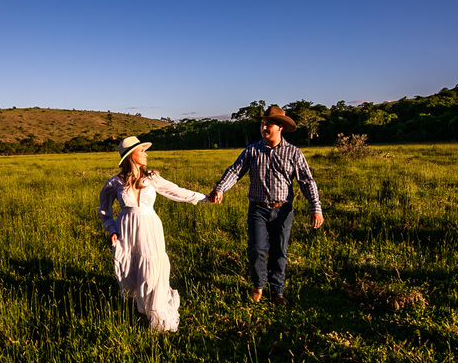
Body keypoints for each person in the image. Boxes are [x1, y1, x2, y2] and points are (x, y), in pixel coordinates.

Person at [206, 105, 323, 306]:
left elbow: (306, 181)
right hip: (257, 208)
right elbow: (235, 171)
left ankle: (277, 291)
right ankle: (258, 285)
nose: (264, 128)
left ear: (280, 128)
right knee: (257, 248)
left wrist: (316, 207)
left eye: (269, 124)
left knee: (279, 252)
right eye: (262, 124)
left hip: (283, 210)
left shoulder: (293, 153)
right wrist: (220, 189)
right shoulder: (252, 151)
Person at [99, 136, 209, 332]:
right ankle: (139, 307)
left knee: (153, 268)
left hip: (150, 228)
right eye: (141, 151)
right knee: (130, 270)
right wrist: (111, 229)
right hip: (126, 230)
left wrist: (203, 198)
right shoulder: (115, 182)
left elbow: (175, 191)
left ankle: (156, 312)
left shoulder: (151, 178)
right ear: (130, 156)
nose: (146, 153)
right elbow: (104, 210)